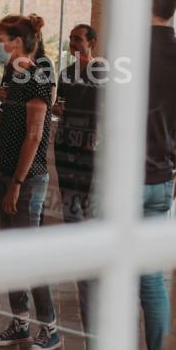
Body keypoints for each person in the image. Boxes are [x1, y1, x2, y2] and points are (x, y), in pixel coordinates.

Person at [55, 0, 176, 350]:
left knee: (96, 280)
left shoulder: (126, 58)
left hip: (120, 180)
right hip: (161, 178)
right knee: (150, 278)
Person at [0, 13, 62, 350]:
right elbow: (9, 118)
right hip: (8, 172)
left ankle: (50, 328)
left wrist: (17, 184)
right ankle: (20, 322)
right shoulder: (13, 69)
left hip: (28, 177)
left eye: (2, 38)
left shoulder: (41, 70)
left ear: (20, 42)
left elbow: (35, 134)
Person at [52, 24, 106, 333]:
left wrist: (96, 135)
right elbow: (61, 105)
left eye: (78, 39)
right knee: (68, 193)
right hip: (66, 142)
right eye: (71, 39)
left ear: (92, 43)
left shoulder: (102, 72)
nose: (73, 43)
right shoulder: (67, 72)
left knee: (88, 196)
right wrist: (59, 107)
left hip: (90, 145)